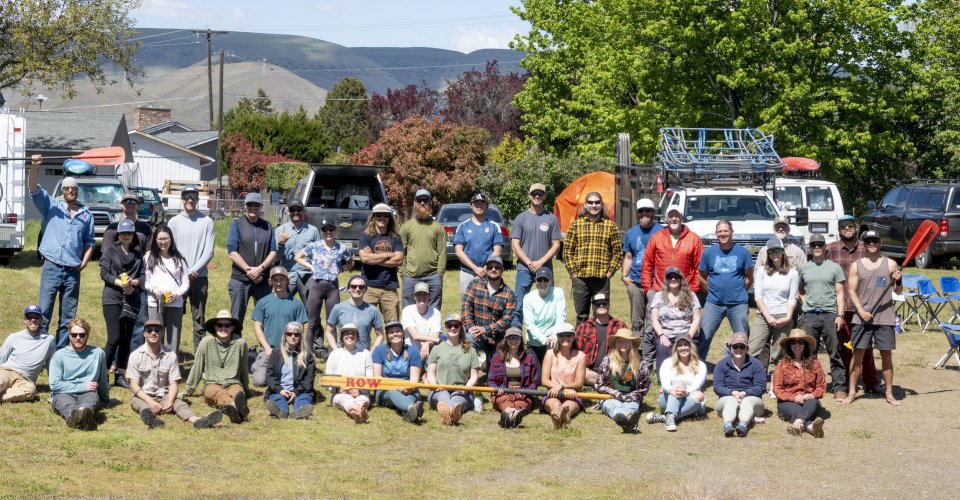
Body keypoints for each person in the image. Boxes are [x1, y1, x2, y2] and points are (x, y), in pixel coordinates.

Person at [29, 155, 94, 348]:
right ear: (63, 190)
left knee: (68, 317)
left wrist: (84, 262)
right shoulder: (51, 206)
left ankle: (59, 354)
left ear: (77, 190)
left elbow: (89, 241)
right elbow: (33, 188)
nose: (70, 191)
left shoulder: (86, 214)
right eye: (67, 188)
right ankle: (39, 351)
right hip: (52, 268)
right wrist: (34, 166)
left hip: (73, 272)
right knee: (44, 313)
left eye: (73, 188)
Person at [842, 230, 903, 406]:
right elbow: (851, 291)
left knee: (886, 355)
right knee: (858, 354)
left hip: (885, 317)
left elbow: (898, 291)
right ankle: (852, 392)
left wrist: (899, 280)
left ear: (880, 242)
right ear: (864, 243)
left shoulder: (891, 264)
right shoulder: (856, 265)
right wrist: (860, 311)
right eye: (868, 240)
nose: (872, 243)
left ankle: (889, 393)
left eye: (875, 240)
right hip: (862, 318)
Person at [127, 319, 222, 429]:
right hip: (143, 396)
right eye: (149, 330)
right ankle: (152, 419)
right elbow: (134, 385)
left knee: (180, 404)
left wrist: (170, 401)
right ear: (144, 333)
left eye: (157, 330)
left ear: (162, 333)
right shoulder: (135, 356)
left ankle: (197, 420)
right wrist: (151, 402)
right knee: (140, 404)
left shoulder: (170, 355)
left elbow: (173, 383)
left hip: (164, 395)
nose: (153, 333)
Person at [827, 214, 882, 395]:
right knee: (842, 346)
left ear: (856, 228)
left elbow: (877, 269)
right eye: (843, 227)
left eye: (850, 226)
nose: (847, 229)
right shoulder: (830, 249)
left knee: (865, 346)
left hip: (862, 306)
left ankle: (871, 382)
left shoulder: (865, 248)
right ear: (839, 230)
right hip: (841, 307)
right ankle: (843, 383)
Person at [797, 233, 848, 400]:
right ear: (810, 248)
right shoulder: (804, 268)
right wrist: (805, 303)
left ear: (825, 247)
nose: (817, 247)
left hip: (830, 315)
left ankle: (839, 386)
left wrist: (840, 315)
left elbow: (840, 293)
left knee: (835, 352)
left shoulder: (834, 267)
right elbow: (800, 289)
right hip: (810, 316)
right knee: (809, 353)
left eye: (820, 244)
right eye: (813, 245)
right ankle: (811, 385)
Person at [166, 184, 216, 352]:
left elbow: (209, 250)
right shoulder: (173, 222)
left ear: (198, 200)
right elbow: (169, 249)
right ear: (181, 199)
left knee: (199, 318)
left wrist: (194, 270)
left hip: (199, 277)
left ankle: (199, 356)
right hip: (178, 277)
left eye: (193, 197)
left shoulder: (207, 221)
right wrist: (183, 271)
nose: (189, 200)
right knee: (174, 317)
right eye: (186, 197)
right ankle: (171, 354)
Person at [102, 191, 152, 355]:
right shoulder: (111, 229)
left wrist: (134, 282)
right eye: (126, 201)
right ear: (121, 204)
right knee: (115, 332)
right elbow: (107, 260)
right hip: (115, 286)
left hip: (136, 283)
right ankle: (112, 364)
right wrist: (122, 282)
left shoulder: (145, 228)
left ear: (138, 205)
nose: (130, 204)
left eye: (133, 201)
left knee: (135, 327)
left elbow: (148, 254)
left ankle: (130, 363)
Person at [295, 218, 353, 359]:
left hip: (332, 288)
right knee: (312, 321)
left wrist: (342, 268)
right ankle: (307, 355)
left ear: (335, 231)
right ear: (321, 232)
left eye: (331, 230)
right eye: (325, 230)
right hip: (316, 286)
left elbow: (351, 262)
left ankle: (333, 354)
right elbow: (298, 257)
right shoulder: (314, 246)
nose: (328, 232)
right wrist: (310, 266)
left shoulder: (341, 248)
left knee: (331, 322)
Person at [562, 192, 623, 325]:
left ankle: (599, 343)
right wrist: (573, 274)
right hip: (580, 279)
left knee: (601, 314)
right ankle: (582, 343)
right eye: (590, 202)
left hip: (601, 279)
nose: (593, 205)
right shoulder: (576, 225)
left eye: (597, 202)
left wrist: (610, 273)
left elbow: (618, 253)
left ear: (602, 205)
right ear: (585, 205)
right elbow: (567, 251)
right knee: (581, 315)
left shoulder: (610, 226)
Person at [697, 220, 753, 360]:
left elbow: (749, 278)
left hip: (738, 303)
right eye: (720, 231)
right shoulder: (709, 253)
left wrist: (738, 291)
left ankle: (742, 368)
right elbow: (701, 277)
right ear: (716, 234)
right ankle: (697, 368)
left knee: (742, 339)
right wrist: (711, 291)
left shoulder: (743, 252)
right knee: (704, 336)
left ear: (732, 232)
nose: (723, 234)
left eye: (725, 231)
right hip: (713, 303)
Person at [183, 310, 251, 424]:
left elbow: (244, 368)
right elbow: (197, 367)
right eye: (220, 325)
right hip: (212, 383)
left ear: (232, 328)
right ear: (215, 328)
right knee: (213, 393)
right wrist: (187, 391)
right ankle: (235, 408)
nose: (223, 328)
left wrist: (246, 390)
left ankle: (233, 409)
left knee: (238, 393)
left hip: (233, 382)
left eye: (227, 325)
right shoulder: (206, 342)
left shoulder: (240, 343)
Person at [99, 218, 144, 389]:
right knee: (114, 338)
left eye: (129, 233)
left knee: (127, 339)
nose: (126, 236)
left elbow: (143, 276)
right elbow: (104, 273)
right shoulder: (110, 251)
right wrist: (120, 283)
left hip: (132, 298)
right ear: (119, 234)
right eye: (123, 233)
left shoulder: (138, 255)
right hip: (112, 298)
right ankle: (101, 374)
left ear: (133, 235)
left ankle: (120, 374)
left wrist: (134, 283)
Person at [510, 182, 562, 326]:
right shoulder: (521, 217)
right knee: (518, 305)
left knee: (548, 303)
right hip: (524, 269)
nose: (537, 196)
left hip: (545, 269)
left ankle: (548, 339)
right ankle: (516, 338)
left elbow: (556, 245)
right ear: (529, 196)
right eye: (534, 194)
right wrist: (529, 262)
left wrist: (540, 262)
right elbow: (515, 244)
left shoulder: (551, 218)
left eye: (540, 194)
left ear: (545, 196)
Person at [749, 238, 799, 376]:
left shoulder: (793, 273)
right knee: (753, 348)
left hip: (783, 315)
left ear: (783, 252)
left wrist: (788, 317)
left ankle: (775, 381)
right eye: (771, 251)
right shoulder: (761, 271)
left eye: (777, 250)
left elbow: (792, 298)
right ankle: (750, 377)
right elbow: (758, 296)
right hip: (764, 315)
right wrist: (768, 316)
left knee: (779, 352)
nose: (774, 254)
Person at [623, 198, 663, 369]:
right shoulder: (631, 233)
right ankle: (636, 357)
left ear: (653, 212)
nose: (645, 214)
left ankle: (651, 359)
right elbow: (629, 256)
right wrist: (624, 275)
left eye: (648, 210)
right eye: (641, 211)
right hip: (636, 282)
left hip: (656, 284)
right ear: (637, 213)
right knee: (637, 321)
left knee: (653, 321)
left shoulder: (662, 231)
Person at [251, 267, 309, 387]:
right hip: (269, 349)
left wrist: (291, 347)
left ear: (287, 281)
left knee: (294, 380)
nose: (278, 283)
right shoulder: (263, 302)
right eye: (275, 280)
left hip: (290, 350)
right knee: (259, 382)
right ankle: (258, 363)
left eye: (281, 279)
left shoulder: (296, 303)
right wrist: (267, 349)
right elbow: (257, 327)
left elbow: (300, 329)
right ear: (271, 282)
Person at [226, 192, 277, 323]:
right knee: (236, 317)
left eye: (256, 205)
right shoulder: (236, 224)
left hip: (262, 280)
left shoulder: (268, 226)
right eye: (250, 204)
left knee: (266, 317)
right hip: (240, 280)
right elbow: (232, 252)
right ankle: (236, 343)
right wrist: (250, 271)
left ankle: (265, 344)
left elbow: (273, 252)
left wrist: (260, 269)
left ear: (260, 206)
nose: (253, 208)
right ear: (245, 205)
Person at [49, 319, 109, 431]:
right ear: (69, 335)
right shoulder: (59, 356)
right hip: (64, 392)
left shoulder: (98, 353)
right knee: (66, 403)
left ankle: (83, 415)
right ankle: (76, 416)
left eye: (82, 335)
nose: (78, 338)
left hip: (88, 393)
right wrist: (83, 386)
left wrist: (105, 399)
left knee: (90, 400)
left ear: (87, 335)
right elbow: (54, 385)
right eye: (74, 335)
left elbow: (102, 380)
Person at [462, 255, 517, 368]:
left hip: (497, 338)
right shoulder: (474, 284)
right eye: (490, 267)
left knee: (496, 370)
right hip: (476, 334)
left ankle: (486, 363)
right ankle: (468, 376)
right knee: (467, 342)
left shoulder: (509, 294)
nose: (493, 269)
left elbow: (507, 319)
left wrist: (485, 329)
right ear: (486, 269)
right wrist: (470, 326)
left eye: (497, 267)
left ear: (502, 270)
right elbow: (466, 305)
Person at [641, 204, 704, 302]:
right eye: (671, 216)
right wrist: (648, 289)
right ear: (666, 219)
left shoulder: (694, 239)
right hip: (660, 291)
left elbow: (699, 267)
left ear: (681, 218)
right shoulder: (656, 237)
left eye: (676, 215)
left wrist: (694, 289)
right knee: (655, 317)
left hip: (684, 292)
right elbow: (647, 264)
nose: (674, 218)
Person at [426, 316, 481, 426]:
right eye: (449, 325)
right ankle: (453, 413)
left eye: (456, 325)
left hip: (461, 390)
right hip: (440, 389)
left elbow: (474, 375)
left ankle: (449, 412)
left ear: (460, 328)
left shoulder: (471, 350)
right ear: (445, 328)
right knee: (443, 396)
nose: (452, 328)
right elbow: (430, 372)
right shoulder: (437, 349)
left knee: (457, 399)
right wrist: (435, 386)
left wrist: (466, 388)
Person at [144, 226, 190, 355]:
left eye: (166, 238)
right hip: (155, 302)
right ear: (155, 240)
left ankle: (171, 365)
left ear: (171, 239)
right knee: (155, 334)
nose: (163, 242)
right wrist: (154, 289)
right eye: (160, 239)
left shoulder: (180, 258)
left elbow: (185, 282)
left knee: (173, 336)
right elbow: (145, 281)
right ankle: (154, 362)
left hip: (175, 303)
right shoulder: (149, 258)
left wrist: (177, 294)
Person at [772, 329, 826, 438]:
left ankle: (797, 423)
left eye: (800, 342)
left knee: (813, 402)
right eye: (794, 342)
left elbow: (822, 386)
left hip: (809, 402)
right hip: (787, 402)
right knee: (796, 409)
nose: (797, 345)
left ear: (805, 345)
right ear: (789, 345)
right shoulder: (782, 365)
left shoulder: (815, 364)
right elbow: (777, 389)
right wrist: (793, 398)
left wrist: (812, 395)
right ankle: (811, 427)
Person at [595, 329, 650, 433]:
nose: (623, 344)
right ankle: (624, 418)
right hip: (610, 396)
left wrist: (630, 396)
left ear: (631, 343)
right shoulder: (607, 361)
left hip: (631, 396)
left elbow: (645, 387)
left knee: (633, 407)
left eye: (626, 341)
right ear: (615, 344)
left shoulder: (640, 362)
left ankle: (629, 418)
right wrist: (614, 392)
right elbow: (599, 385)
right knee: (613, 406)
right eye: (620, 341)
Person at [647, 335, 706, 432]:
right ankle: (670, 415)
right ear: (676, 348)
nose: (683, 348)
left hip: (690, 400)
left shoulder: (700, 365)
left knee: (699, 395)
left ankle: (665, 417)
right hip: (669, 398)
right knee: (678, 383)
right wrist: (671, 389)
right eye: (680, 345)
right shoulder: (667, 362)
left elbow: (697, 384)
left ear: (691, 347)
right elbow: (664, 382)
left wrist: (686, 391)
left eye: (686, 345)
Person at [399, 189, 446, 310]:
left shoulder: (438, 227)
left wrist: (439, 275)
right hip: (411, 276)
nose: (422, 203)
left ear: (430, 202)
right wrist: (403, 273)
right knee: (408, 311)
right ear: (414, 203)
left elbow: (442, 252)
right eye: (419, 200)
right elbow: (401, 252)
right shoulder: (406, 227)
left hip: (433, 276)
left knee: (434, 311)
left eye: (425, 200)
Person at [713, 332, 766, 437]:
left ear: (747, 348)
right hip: (727, 398)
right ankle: (728, 425)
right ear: (730, 348)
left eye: (742, 346)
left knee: (747, 401)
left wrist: (745, 393)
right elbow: (717, 387)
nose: (738, 349)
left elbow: (761, 387)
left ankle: (743, 425)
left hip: (751, 399)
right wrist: (731, 392)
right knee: (730, 400)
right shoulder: (721, 364)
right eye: (735, 346)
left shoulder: (756, 365)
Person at [649, 267, 702, 373]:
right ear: (666, 280)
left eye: (676, 277)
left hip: (685, 333)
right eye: (670, 277)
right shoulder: (659, 296)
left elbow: (697, 319)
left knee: (687, 348)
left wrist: (689, 335)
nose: (673, 279)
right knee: (663, 348)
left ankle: (690, 374)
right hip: (666, 334)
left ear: (681, 279)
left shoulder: (691, 295)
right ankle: (663, 380)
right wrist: (661, 335)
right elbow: (654, 318)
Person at [359, 203, 404, 323]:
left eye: (386, 215)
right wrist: (388, 255)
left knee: (393, 326)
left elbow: (399, 260)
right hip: (369, 287)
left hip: (390, 287)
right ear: (373, 217)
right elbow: (365, 259)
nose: (382, 218)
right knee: (363, 324)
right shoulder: (366, 236)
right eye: (379, 215)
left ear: (390, 218)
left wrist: (373, 257)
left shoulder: (395, 237)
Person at [0, 305, 56, 403]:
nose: (33, 320)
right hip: (7, 372)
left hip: (25, 380)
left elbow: (52, 365)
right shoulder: (14, 337)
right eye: (29, 317)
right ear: (25, 321)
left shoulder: (49, 340)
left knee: (30, 391)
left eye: (36, 317)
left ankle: (2, 396)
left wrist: (55, 387)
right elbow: (1, 358)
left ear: (41, 320)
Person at [487, 326, 540, 429]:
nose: (513, 340)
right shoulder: (497, 357)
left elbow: (534, 381)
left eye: (516, 337)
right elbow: (491, 379)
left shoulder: (529, 357)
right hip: (504, 392)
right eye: (510, 337)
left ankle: (509, 417)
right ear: (506, 339)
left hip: (522, 393)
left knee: (524, 402)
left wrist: (526, 392)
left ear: (521, 339)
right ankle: (511, 414)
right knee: (504, 400)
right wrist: (498, 390)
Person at [453, 191, 504, 296]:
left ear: (487, 206)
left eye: (482, 202)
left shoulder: (494, 226)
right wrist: (475, 268)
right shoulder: (462, 227)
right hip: (467, 271)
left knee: (488, 302)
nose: (479, 205)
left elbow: (497, 250)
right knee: (466, 302)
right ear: (471, 206)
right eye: (476, 202)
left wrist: (485, 268)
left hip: (488, 271)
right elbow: (459, 251)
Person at [372, 321, 424, 423]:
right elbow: (377, 376)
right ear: (387, 336)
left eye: (398, 331)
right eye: (391, 332)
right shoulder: (379, 350)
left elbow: (414, 378)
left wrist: (408, 388)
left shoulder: (413, 351)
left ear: (403, 334)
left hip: (408, 387)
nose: (395, 334)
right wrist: (395, 386)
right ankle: (411, 407)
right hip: (386, 388)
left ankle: (409, 412)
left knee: (412, 395)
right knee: (393, 393)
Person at [263, 322, 316, 419]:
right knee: (277, 398)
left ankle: (301, 411)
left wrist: (296, 392)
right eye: (289, 334)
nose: (293, 336)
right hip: (280, 390)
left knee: (303, 399)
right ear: (284, 335)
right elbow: (270, 376)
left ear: (300, 336)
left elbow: (309, 379)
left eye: (296, 334)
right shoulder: (276, 353)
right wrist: (280, 390)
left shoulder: (307, 356)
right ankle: (280, 411)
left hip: (300, 391)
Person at [325, 324, 374, 423]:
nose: (350, 336)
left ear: (357, 337)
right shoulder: (335, 354)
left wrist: (360, 390)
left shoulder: (365, 354)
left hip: (360, 392)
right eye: (346, 333)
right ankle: (360, 411)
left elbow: (370, 379)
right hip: (339, 393)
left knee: (363, 399)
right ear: (342, 337)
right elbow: (327, 380)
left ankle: (355, 412)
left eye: (353, 333)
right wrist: (339, 389)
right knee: (346, 399)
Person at [574, 293, 627, 385]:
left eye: (604, 303)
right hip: (589, 370)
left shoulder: (620, 326)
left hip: (614, 369)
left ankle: (604, 381)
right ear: (593, 307)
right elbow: (575, 351)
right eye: (597, 303)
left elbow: (629, 350)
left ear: (609, 305)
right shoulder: (583, 327)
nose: (601, 305)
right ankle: (609, 383)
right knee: (582, 374)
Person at [541, 322, 586, 429]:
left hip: (572, 393)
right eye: (561, 335)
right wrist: (556, 388)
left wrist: (562, 387)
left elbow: (579, 383)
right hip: (552, 392)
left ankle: (563, 416)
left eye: (568, 335)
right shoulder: (550, 354)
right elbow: (544, 380)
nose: (565, 338)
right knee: (555, 405)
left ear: (574, 337)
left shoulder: (581, 356)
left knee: (567, 408)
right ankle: (557, 414)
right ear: (557, 337)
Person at [275, 199, 320, 304]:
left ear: (303, 211)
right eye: (293, 209)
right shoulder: (280, 230)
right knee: (282, 306)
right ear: (288, 212)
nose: (296, 212)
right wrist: (281, 243)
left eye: (298, 209)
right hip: (287, 274)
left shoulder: (312, 230)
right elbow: (277, 257)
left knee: (311, 307)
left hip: (307, 274)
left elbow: (318, 255)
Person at [325, 275, 385, 352]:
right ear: (348, 289)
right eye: (353, 286)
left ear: (365, 289)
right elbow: (329, 331)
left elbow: (380, 335)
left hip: (363, 354)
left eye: (361, 287)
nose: (357, 289)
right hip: (343, 353)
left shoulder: (372, 310)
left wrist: (371, 353)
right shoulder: (338, 308)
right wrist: (336, 351)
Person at [522, 267, 567, 363]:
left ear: (551, 280)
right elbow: (530, 324)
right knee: (537, 377)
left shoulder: (558, 293)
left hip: (553, 341)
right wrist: (544, 340)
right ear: (535, 281)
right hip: (535, 343)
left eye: (546, 280)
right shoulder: (528, 298)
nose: (542, 283)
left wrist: (554, 336)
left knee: (552, 375)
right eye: (539, 280)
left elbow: (561, 317)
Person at [400, 282, 442, 363]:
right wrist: (434, 340)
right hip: (409, 352)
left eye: (425, 294)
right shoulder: (407, 310)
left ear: (429, 296)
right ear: (414, 297)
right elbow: (415, 336)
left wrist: (427, 343)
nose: (422, 297)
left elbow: (435, 336)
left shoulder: (436, 312)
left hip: (428, 352)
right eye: (419, 294)